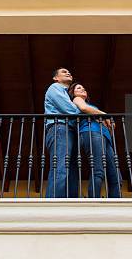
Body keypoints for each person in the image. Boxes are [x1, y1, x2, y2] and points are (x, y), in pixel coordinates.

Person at [67, 83, 121, 198]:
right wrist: (105, 115)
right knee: (98, 170)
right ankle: (94, 200)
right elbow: (83, 108)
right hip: (91, 132)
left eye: (83, 88)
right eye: (78, 88)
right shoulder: (77, 99)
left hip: (104, 137)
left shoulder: (91, 106)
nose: (83, 89)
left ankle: (115, 203)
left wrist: (108, 125)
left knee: (116, 176)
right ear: (73, 93)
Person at [43, 67, 80, 198]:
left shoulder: (67, 93)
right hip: (59, 127)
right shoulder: (55, 87)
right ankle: (53, 202)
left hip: (68, 130)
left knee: (71, 168)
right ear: (56, 78)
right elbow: (69, 109)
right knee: (61, 166)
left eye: (69, 71)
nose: (68, 73)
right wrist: (84, 107)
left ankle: (71, 200)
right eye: (64, 72)